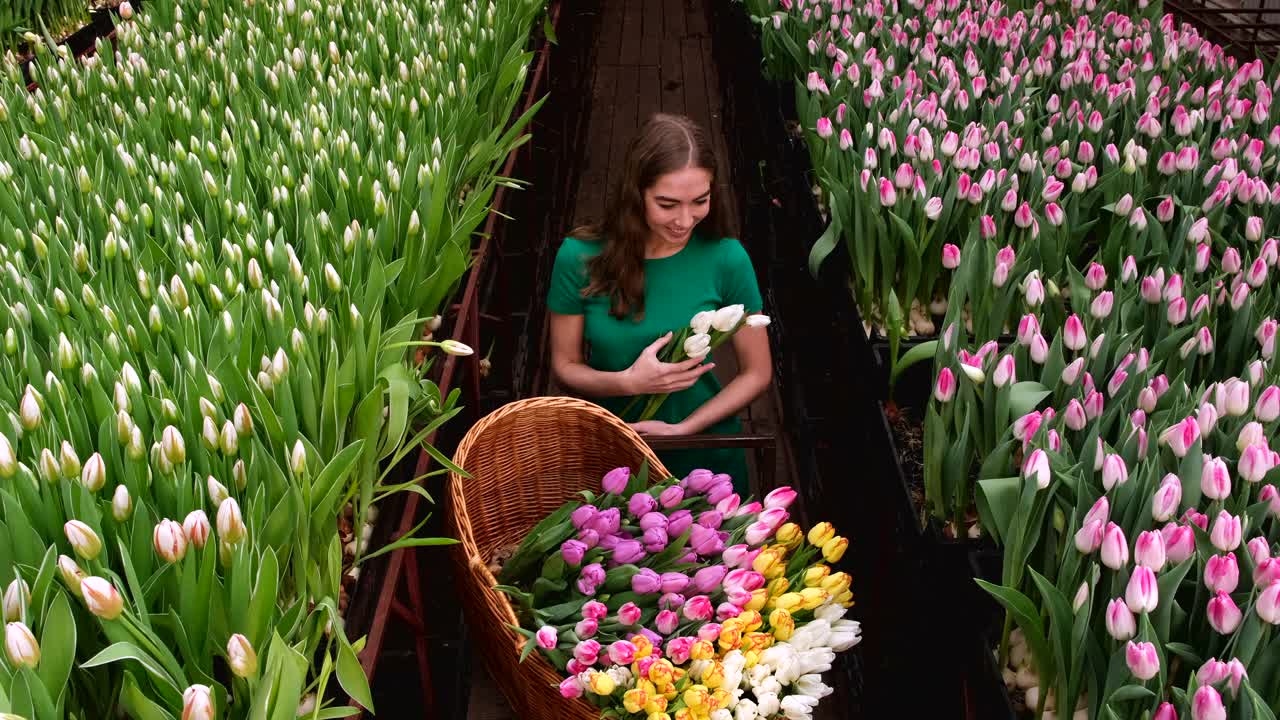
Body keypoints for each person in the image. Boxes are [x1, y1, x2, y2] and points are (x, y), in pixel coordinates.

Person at [547, 113, 772, 496]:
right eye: (667, 204)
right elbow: (564, 365)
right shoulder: (578, 258)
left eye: (700, 201)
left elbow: (756, 372)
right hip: (614, 451)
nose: (685, 220)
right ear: (636, 193)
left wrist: (685, 428)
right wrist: (627, 382)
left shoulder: (727, 259)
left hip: (704, 456)